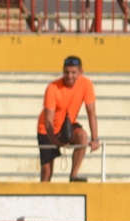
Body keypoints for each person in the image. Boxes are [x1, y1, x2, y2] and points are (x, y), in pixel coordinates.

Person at [37, 55, 100, 183]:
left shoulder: (86, 84)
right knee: (47, 173)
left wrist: (95, 138)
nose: (69, 76)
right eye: (66, 72)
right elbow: (48, 121)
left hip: (66, 125)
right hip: (47, 129)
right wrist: (55, 141)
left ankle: (73, 176)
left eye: (73, 72)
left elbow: (91, 112)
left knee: (82, 136)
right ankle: (43, 191)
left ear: (81, 72)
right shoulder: (53, 88)